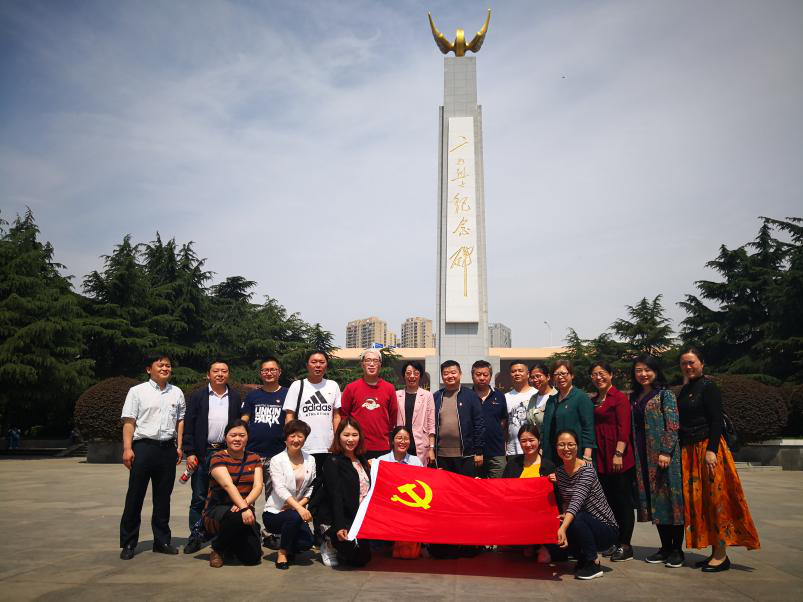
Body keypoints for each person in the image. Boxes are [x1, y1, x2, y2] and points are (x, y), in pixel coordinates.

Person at [677, 348, 760, 572]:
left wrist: (712, 450)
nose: (688, 366)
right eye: (684, 363)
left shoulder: (709, 387)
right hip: (690, 451)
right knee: (701, 501)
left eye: (692, 362)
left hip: (708, 449)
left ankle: (721, 555)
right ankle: (715, 551)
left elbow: (716, 421)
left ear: (702, 363)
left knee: (717, 500)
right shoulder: (685, 389)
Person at [119, 353, 185, 560]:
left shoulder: (177, 392)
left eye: (168, 365)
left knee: (163, 497)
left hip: (167, 449)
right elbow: (129, 421)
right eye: (160, 365)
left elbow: (180, 421)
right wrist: (127, 448)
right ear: (149, 369)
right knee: (135, 496)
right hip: (143, 448)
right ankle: (129, 542)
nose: (165, 368)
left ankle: (162, 541)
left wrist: (179, 446)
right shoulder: (137, 391)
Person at [630, 354, 685, 568]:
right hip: (643, 456)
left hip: (663, 457)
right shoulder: (635, 396)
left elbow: (673, 425)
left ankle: (677, 550)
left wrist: (666, 451)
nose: (643, 374)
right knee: (656, 502)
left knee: (671, 500)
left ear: (656, 371)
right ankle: (665, 547)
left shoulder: (665, 394)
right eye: (639, 370)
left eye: (647, 370)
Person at [183, 361, 242, 554]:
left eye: (224, 371)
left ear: (228, 374)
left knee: (224, 495)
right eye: (216, 371)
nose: (220, 374)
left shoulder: (234, 397)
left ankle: (221, 536)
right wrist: (190, 452)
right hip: (203, 452)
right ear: (208, 374)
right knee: (199, 496)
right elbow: (189, 425)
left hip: (225, 453)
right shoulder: (198, 396)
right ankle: (196, 535)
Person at [431, 360, 485, 559]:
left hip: (466, 456)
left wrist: (479, 451)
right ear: (442, 376)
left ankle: (469, 543)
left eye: (453, 372)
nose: (450, 376)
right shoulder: (436, 397)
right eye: (446, 373)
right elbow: (431, 425)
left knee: (466, 500)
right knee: (445, 502)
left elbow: (479, 424)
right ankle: (447, 543)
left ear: (460, 374)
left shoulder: (470, 396)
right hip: (442, 458)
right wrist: (431, 450)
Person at [554, 429, 618, 580]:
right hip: (583, 523)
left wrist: (563, 528)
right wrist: (563, 522)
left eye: (570, 444)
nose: (566, 448)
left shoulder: (587, 471)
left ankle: (593, 562)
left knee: (578, 517)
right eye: (561, 445)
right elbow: (566, 502)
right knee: (564, 519)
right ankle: (582, 557)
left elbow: (576, 501)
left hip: (606, 529)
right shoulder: (559, 473)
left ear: (577, 447)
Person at [589, 361, 636, 562]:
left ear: (611, 375)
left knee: (623, 501)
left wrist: (618, 453)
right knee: (609, 501)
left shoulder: (619, 398)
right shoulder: (594, 400)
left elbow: (624, 428)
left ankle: (626, 544)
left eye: (602, 373)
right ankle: (615, 541)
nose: (598, 377)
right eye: (594, 374)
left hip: (618, 456)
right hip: (601, 456)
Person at [311, 417, 372, 568]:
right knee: (353, 556)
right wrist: (339, 526)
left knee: (363, 558)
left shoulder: (362, 460)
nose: (350, 439)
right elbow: (335, 496)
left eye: (354, 435)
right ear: (339, 437)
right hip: (336, 517)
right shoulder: (332, 461)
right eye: (346, 435)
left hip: (356, 516)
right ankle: (328, 543)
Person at [241, 357, 288, 549]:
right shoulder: (253, 396)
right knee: (247, 495)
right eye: (265, 370)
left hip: (277, 454)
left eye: (273, 369)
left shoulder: (287, 394)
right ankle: (247, 533)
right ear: (261, 373)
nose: (269, 373)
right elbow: (244, 419)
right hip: (252, 454)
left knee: (274, 497)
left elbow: (291, 420)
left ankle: (272, 533)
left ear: (279, 372)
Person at [203, 420, 263, 568]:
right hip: (218, 509)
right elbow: (227, 485)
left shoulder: (254, 458)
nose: (237, 439)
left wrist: (245, 504)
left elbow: (258, 486)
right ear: (225, 438)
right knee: (236, 516)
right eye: (233, 435)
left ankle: (231, 544)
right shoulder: (217, 457)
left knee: (252, 558)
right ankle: (218, 549)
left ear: (247, 438)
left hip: (244, 510)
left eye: (242, 435)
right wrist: (243, 508)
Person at [262, 420, 317, 569]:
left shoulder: (310, 460)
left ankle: (289, 546)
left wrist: (297, 506)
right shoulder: (277, 460)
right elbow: (279, 488)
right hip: (275, 512)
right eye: (292, 436)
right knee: (293, 517)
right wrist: (299, 509)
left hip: (295, 512)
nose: (296, 440)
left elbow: (311, 487)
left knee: (307, 542)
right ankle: (282, 553)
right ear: (286, 438)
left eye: (300, 436)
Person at [502, 423, 557, 563]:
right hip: (518, 513)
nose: (528, 444)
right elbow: (503, 488)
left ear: (538, 441)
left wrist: (556, 482)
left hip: (540, 514)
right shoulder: (513, 464)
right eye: (523, 441)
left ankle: (541, 545)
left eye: (531, 440)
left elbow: (556, 496)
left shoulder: (549, 466)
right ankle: (527, 543)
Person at [283, 351, 341, 476]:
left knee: (327, 483)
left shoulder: (333, 386)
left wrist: (336, 440)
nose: (318, 365)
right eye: (314, 362)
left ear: (326, 365)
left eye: (322, 362)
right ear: (307, 365)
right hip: (302, 446)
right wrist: (290, 439)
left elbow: (336, 416)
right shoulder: (297, 386)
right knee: (303, 483)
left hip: (328, 447)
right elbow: (289, 415)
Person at [340, 349, 398, 460]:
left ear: (380, 365)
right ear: (362, 364)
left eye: (375, 361)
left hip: (382, 446)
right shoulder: (351, 388)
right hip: (356, 446)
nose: (371, 364)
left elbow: (393, 416)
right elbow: (344, 416)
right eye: (368, 360)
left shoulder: (389, 388)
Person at [541, 360, 596, 465]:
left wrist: (587, 455)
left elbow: (588, 427)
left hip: (574, 453)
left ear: (572, 375)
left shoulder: (581, 397)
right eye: (556, 374)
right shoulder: (551, 401)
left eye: (563, 373)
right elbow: (545, 428)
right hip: (552, 454)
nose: (560, 377)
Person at [394, 361, 435, 467]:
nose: (412, 376)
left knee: (418, 474)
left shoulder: (427, 395)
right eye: (408, 373)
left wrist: (431, 448)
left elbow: (431, 424)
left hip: (420, 444)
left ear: (420, 376)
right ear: (404, 375)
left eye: (416, 373)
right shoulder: (396, 395)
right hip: (401, 443)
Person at [471, 360, 508, 478]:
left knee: (498, 486)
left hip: (496, 452)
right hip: (473, 453)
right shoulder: (467, 396)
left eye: (485, 375)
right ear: (472, 376)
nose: (482, 378)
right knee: (475, 486)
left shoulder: (499, 395)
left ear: (490, 376)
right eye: (478, 374)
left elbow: (503, 422)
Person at [504, 361, 537, 457]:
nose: (517, 373)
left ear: (528, 374)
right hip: (513, 451)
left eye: (520, 371)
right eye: (513, 371)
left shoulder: (537, 394)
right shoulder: (506, 397)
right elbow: (504, 425)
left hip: (534, 450)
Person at [526, 362, 556, 429]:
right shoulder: (533, 398)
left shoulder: (557, 397)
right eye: (532, 377)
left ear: (548, 377)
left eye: (538, 376)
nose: (535, 380)